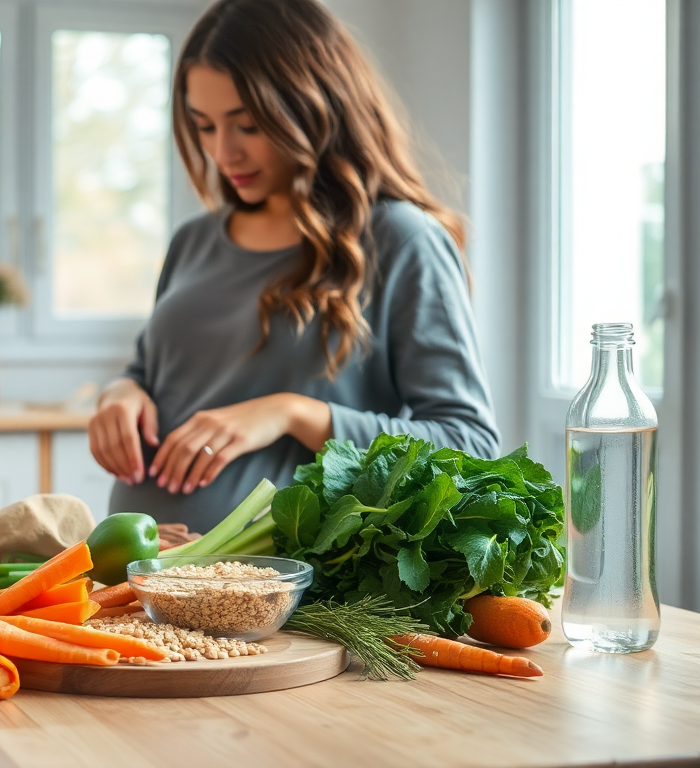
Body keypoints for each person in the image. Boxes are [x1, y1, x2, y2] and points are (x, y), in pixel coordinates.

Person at [87, 0, 500, 532]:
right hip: (138, 573)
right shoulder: (193, 240)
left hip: (286, 583)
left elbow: (468, 444)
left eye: (248, 125)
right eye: (204, 125)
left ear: (314, 108)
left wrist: (292, 413)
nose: (223, 153)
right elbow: (150, 373)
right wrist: (120, 393)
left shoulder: (400, 240)